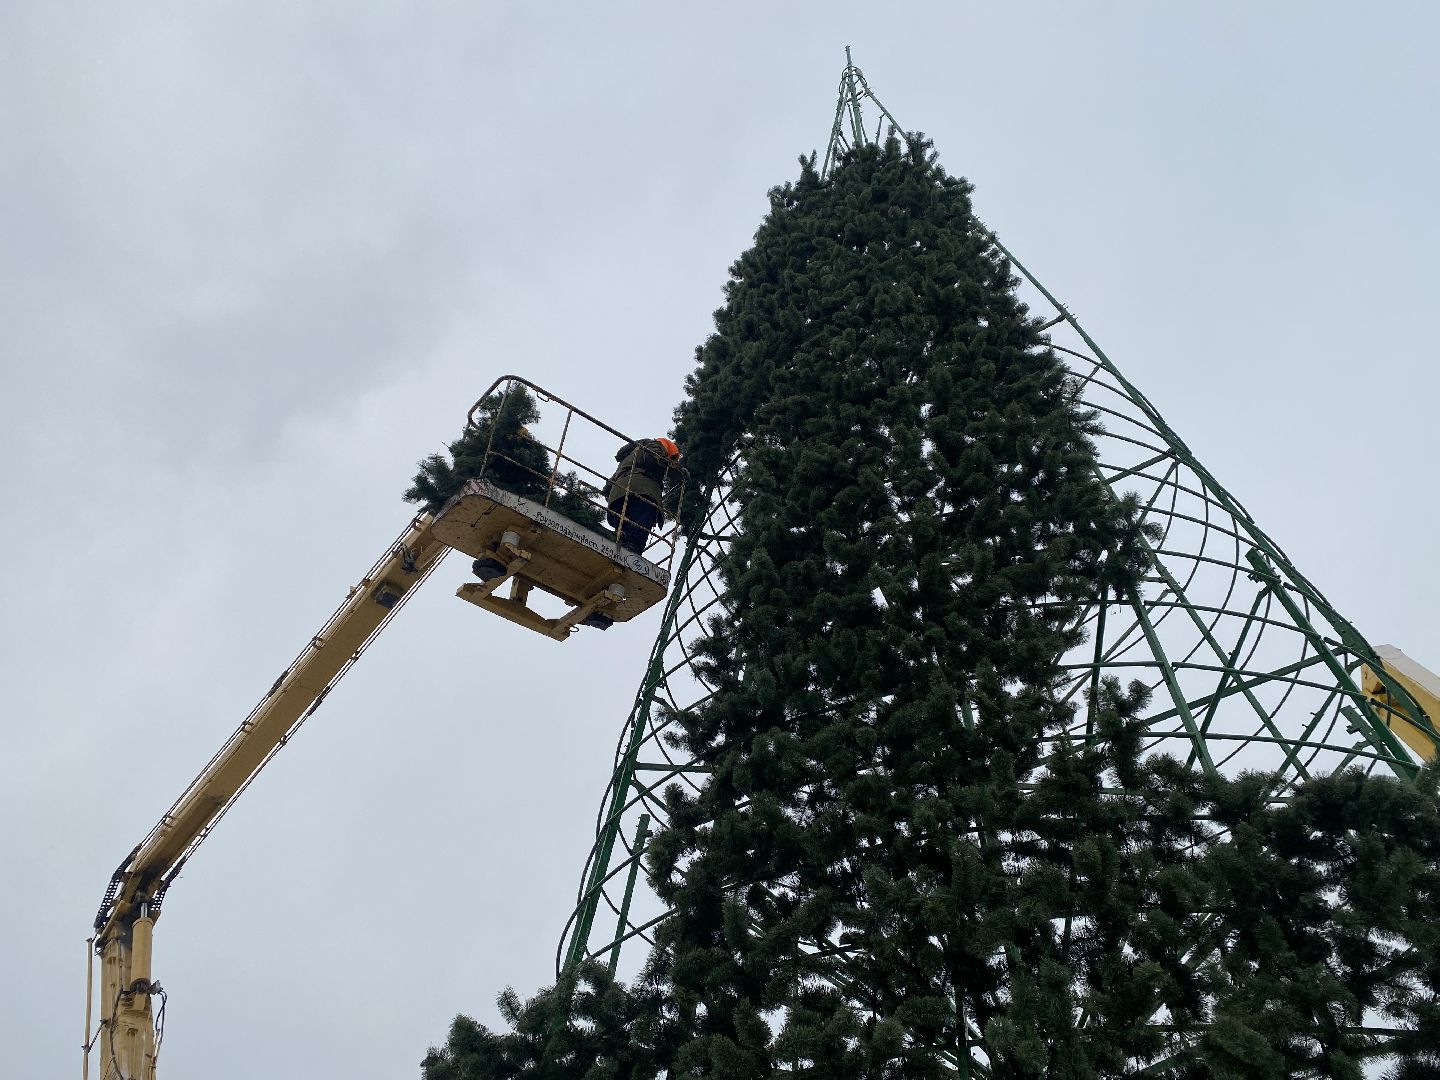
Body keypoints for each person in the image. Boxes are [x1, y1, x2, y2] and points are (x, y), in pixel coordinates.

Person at [604, 436, 681, 555]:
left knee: (622, 534)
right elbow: (653, 457)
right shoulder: (656, 445)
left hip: (618, 496)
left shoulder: (629, 458)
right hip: (642, 493)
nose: (671, 461)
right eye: (672, 458)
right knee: (634, 540)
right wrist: (677, 471)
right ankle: (630, 555)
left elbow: (607, 488)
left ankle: (621, 550)